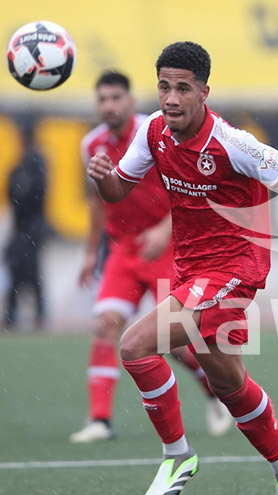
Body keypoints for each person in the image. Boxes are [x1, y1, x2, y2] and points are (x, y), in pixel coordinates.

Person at [87, 43, 278, 495]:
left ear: (204, 92)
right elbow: (118, 192)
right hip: (192, 268)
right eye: (164, 87)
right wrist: (102, 177)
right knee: (227, 380)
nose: (171, 99)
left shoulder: (234, 143)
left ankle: (177, 455)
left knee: (133, 345)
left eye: (183, 89)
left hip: (236, 265)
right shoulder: (153, 131)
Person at [72, 70, 232, 443]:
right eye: (103, 99)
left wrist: (164, 228)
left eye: (116, 98)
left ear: (130, 101)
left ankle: (214, 392)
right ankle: (100, 420)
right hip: (124, 250)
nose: (109, 106)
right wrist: (90, 252)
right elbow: (98, 201)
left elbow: (188, 186)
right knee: (106, 324)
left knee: (174, 341)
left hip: (167, 247)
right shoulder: (91, 144)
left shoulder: (155, 131)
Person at [4, 122, 47, 329]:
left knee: (27, 269)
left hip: (29, 225)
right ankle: (26, 313)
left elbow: (27, 192)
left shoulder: (33, 161)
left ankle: (24, 314)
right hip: (24, 225)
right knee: (22, 269)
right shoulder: (27, 160)